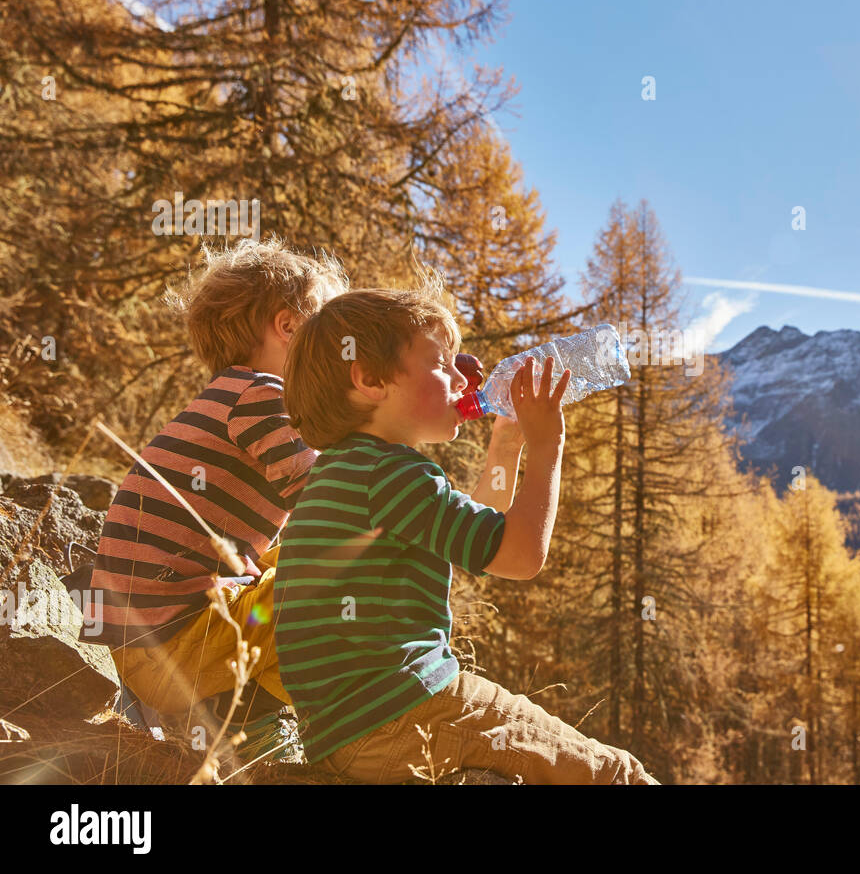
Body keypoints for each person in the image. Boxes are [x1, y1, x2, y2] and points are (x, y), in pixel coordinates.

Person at [275, 280, 659, 784]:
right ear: (370, 379)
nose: (463, 378)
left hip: (344, 736)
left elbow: (467, 534)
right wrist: (548, 445)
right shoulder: (394, 474)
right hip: (408, 712)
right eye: (441, 364)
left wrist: (507, 444)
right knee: (615, 773)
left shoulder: (346, 473)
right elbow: (519, 556)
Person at [80, 239, 348, 729]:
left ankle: (238, 718)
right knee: (350, 562)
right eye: (332, 334)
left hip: (141, 647)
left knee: (293, 555)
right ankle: (262, 729)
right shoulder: (265, 397)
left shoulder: (231, 394)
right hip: (176, 651)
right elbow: (332, 502)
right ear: (288, 326)